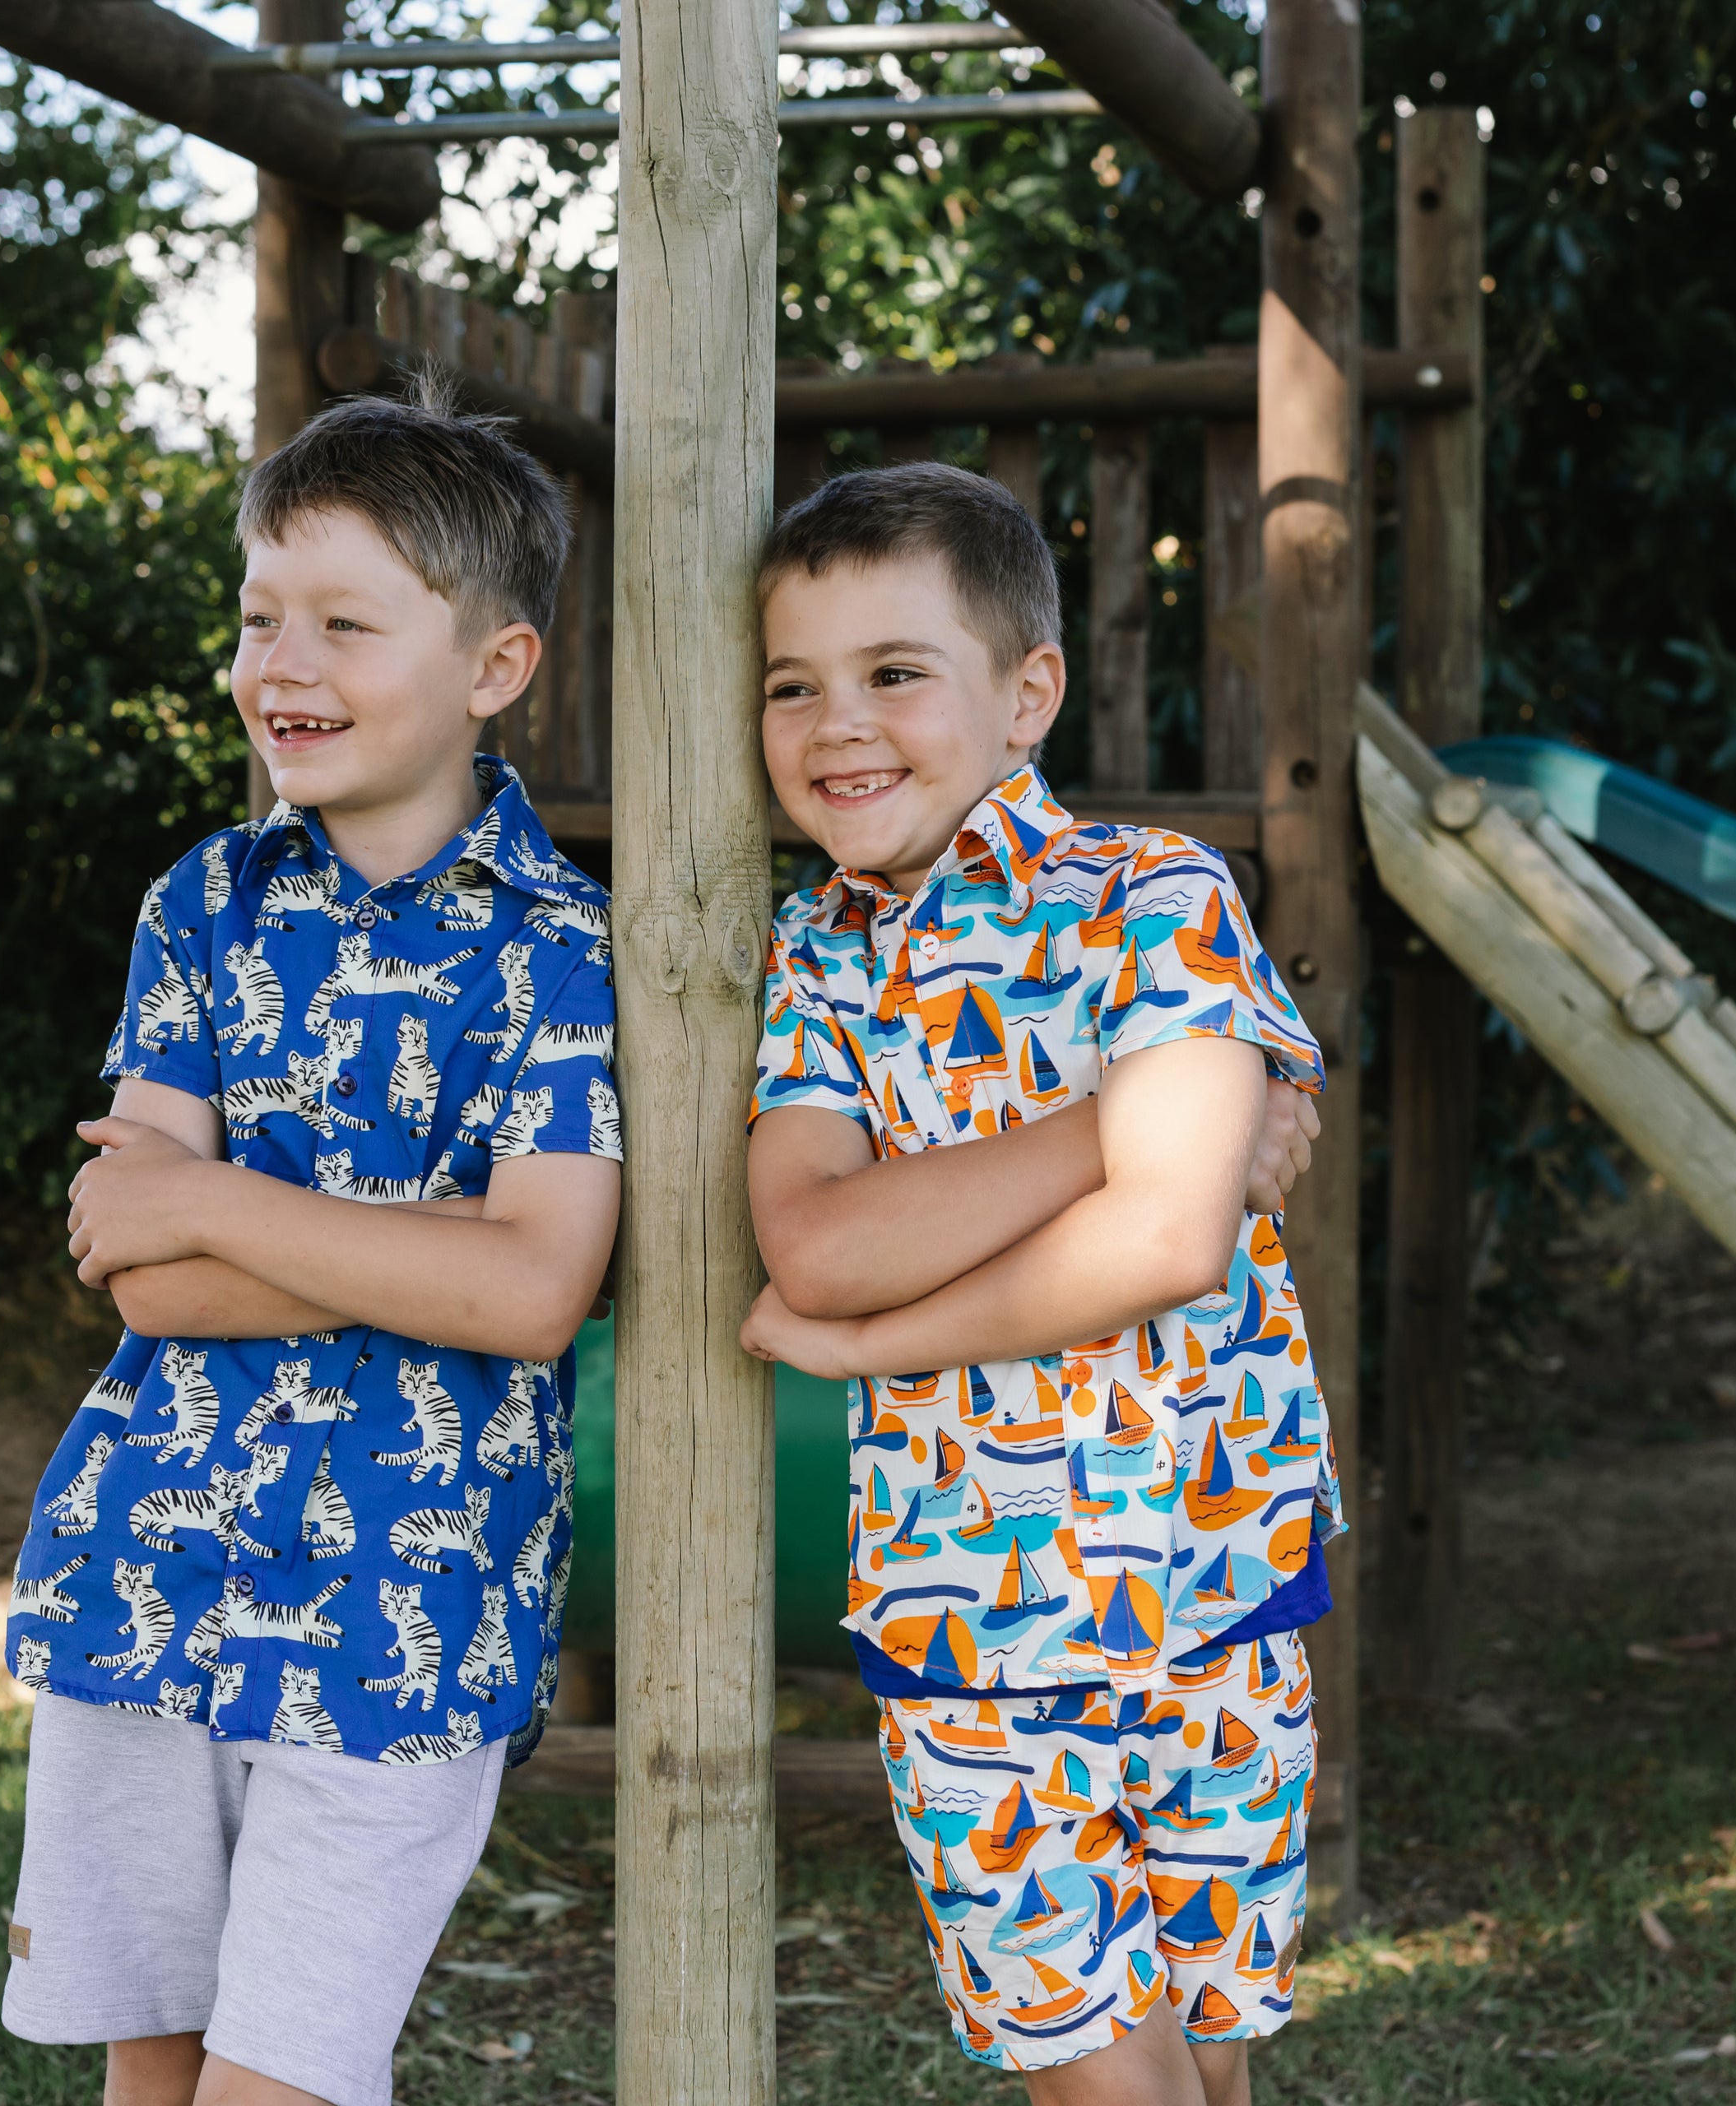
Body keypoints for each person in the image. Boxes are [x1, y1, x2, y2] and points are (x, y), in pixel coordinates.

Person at [0, 385, 623, 2106]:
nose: (285, 659)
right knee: (156, 2072)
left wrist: (214, 1194)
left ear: (494, 667)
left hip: (406, 1608)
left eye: (347, 622)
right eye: (262, 614)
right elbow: (143, 1267)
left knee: (281, 2082)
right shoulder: (199, 902)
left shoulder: (570, 948)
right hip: (145, 1573)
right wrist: (409, 1235)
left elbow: (528, 1291)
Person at [740, 462, 1332, 2106]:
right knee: (1091, 2067)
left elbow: (1168, 1243)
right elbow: (818, 1239)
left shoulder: (1159, 898)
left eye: (894, 671)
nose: (836, 722)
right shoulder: (817, 955)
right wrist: (1129, 1118)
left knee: (1210, 2065)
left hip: (1214, 1583)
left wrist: (872, 1338)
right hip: (971, 1616)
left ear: (1029, 693)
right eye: (795, 684)